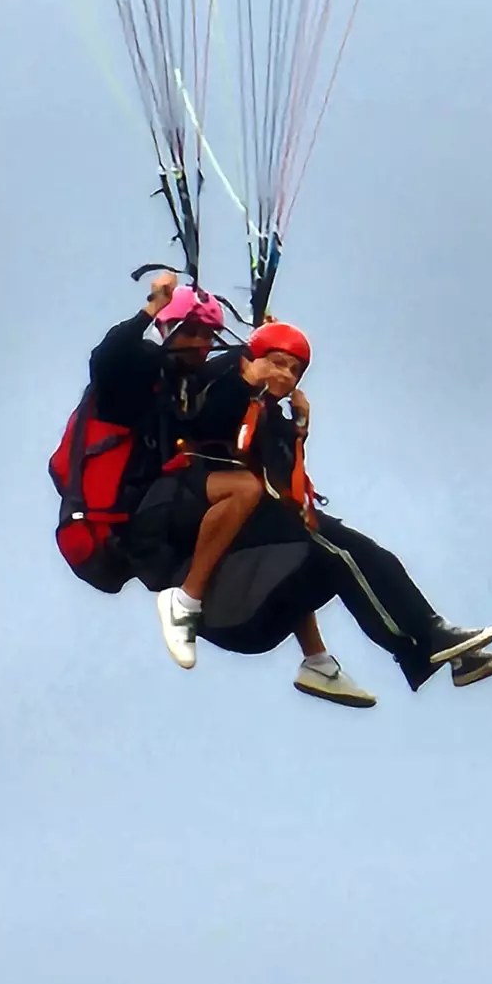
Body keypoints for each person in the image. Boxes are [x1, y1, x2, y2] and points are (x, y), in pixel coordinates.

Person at [149, 314, 492, 699]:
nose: (285, 374)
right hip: (220, 547)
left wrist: (298, 431)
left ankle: (445, 651)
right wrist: (245, 376)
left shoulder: (270, 417)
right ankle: (424, 644)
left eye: (294, 370)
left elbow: (283, 482)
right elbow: (200, 422)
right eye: (277, 362)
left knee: (365, 552)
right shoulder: (223, 383)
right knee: (339, 553)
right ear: (253, 359)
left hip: (259, 562)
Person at [82, 271, 378, 706]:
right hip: (148, 510)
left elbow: (265, 455)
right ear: (169, 329)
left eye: (209, 335)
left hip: (187, 500)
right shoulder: (145, 371)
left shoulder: (199, 381)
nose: (202, 343)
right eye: (192, 332)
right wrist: (153, 306)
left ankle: (317, 660)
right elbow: (106, 361)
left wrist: (289, 415)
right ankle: (187, 602)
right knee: (244, 489)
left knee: (290, 536)